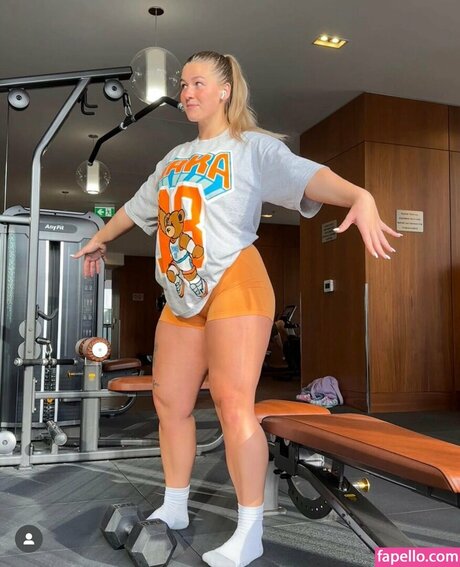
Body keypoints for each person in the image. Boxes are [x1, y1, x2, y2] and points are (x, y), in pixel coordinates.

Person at [73, 51, 401, 567]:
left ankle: (250, 530)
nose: (187, 92)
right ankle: (175, 504)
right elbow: (136, 207)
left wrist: (357, 194)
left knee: (232, 403)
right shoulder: (174, 157)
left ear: (225, 90)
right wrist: (100, 238)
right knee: (169, 401)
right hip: (181, 292)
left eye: (198, 83)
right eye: (183, 85)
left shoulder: (251, 147)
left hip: (236, 280)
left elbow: (306, 175)